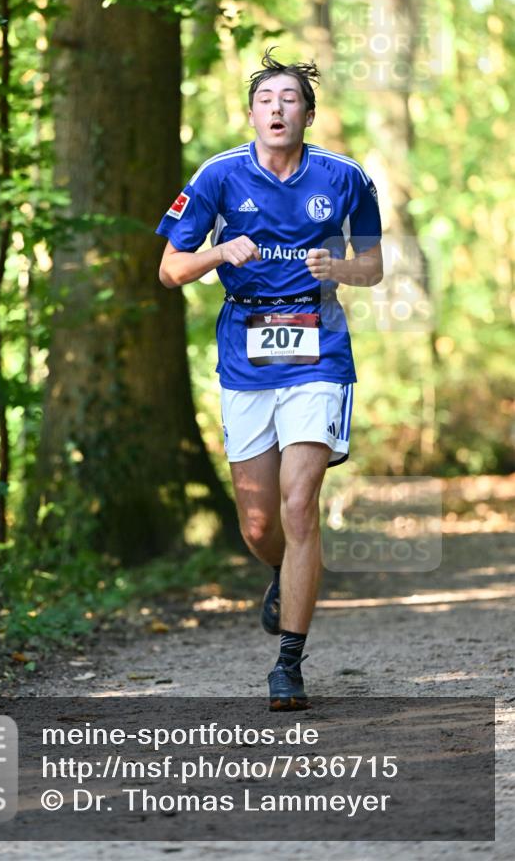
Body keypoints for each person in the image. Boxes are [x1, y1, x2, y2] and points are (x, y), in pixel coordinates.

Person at [156, 50, 383, 710]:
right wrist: (216, 253)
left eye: (290, 99)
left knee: (296, 505)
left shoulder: (345, 178)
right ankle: (283, 574)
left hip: (318, 348)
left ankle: (288, 663)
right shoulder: (217, 177)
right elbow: (169, 270)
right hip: (245, 354)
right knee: (259, 526)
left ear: (307, 114)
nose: (277, 109)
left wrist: (337, 270)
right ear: (251, 113)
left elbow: (371, 266)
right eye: (266, 100)